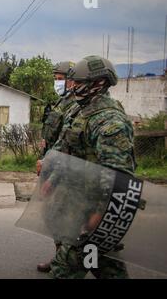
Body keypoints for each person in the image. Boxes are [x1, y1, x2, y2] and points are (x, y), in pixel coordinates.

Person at [49, 55, 135, 279]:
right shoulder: (79, 111)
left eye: (79, 82)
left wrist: (100, 213)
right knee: (104, 265)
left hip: (93, 211)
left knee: (64, 270)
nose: (73, 86)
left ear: (97, 84)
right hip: (77, 203)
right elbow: (67, 149)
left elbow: (118, 175)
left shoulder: (110, 122)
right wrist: (51, 178)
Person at [36, 61, 76, 273]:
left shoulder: (75, 104)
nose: (56, 83)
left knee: (61, 214)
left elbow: (68, 140)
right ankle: (60, 257)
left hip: (66, 168)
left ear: (72, 80)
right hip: (52, 163)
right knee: (52, 215)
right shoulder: (62, 102)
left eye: (60, 79)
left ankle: (65, 261)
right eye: (56, 78)